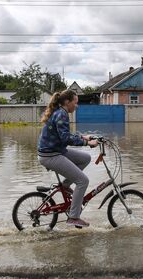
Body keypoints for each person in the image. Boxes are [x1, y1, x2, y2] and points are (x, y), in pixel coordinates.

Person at [37, 90, 98, 228]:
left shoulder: (61, 112)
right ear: (67, 102)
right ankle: (74, 217)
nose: (77, 106)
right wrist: (87, 143)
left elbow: (64, 134)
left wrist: (83, 137)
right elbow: (65, 138)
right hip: (50, 156)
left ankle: (65, 185)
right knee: (83, 181)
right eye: (75, 103)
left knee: (85, 158)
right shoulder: (61, 114)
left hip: (55, 151)